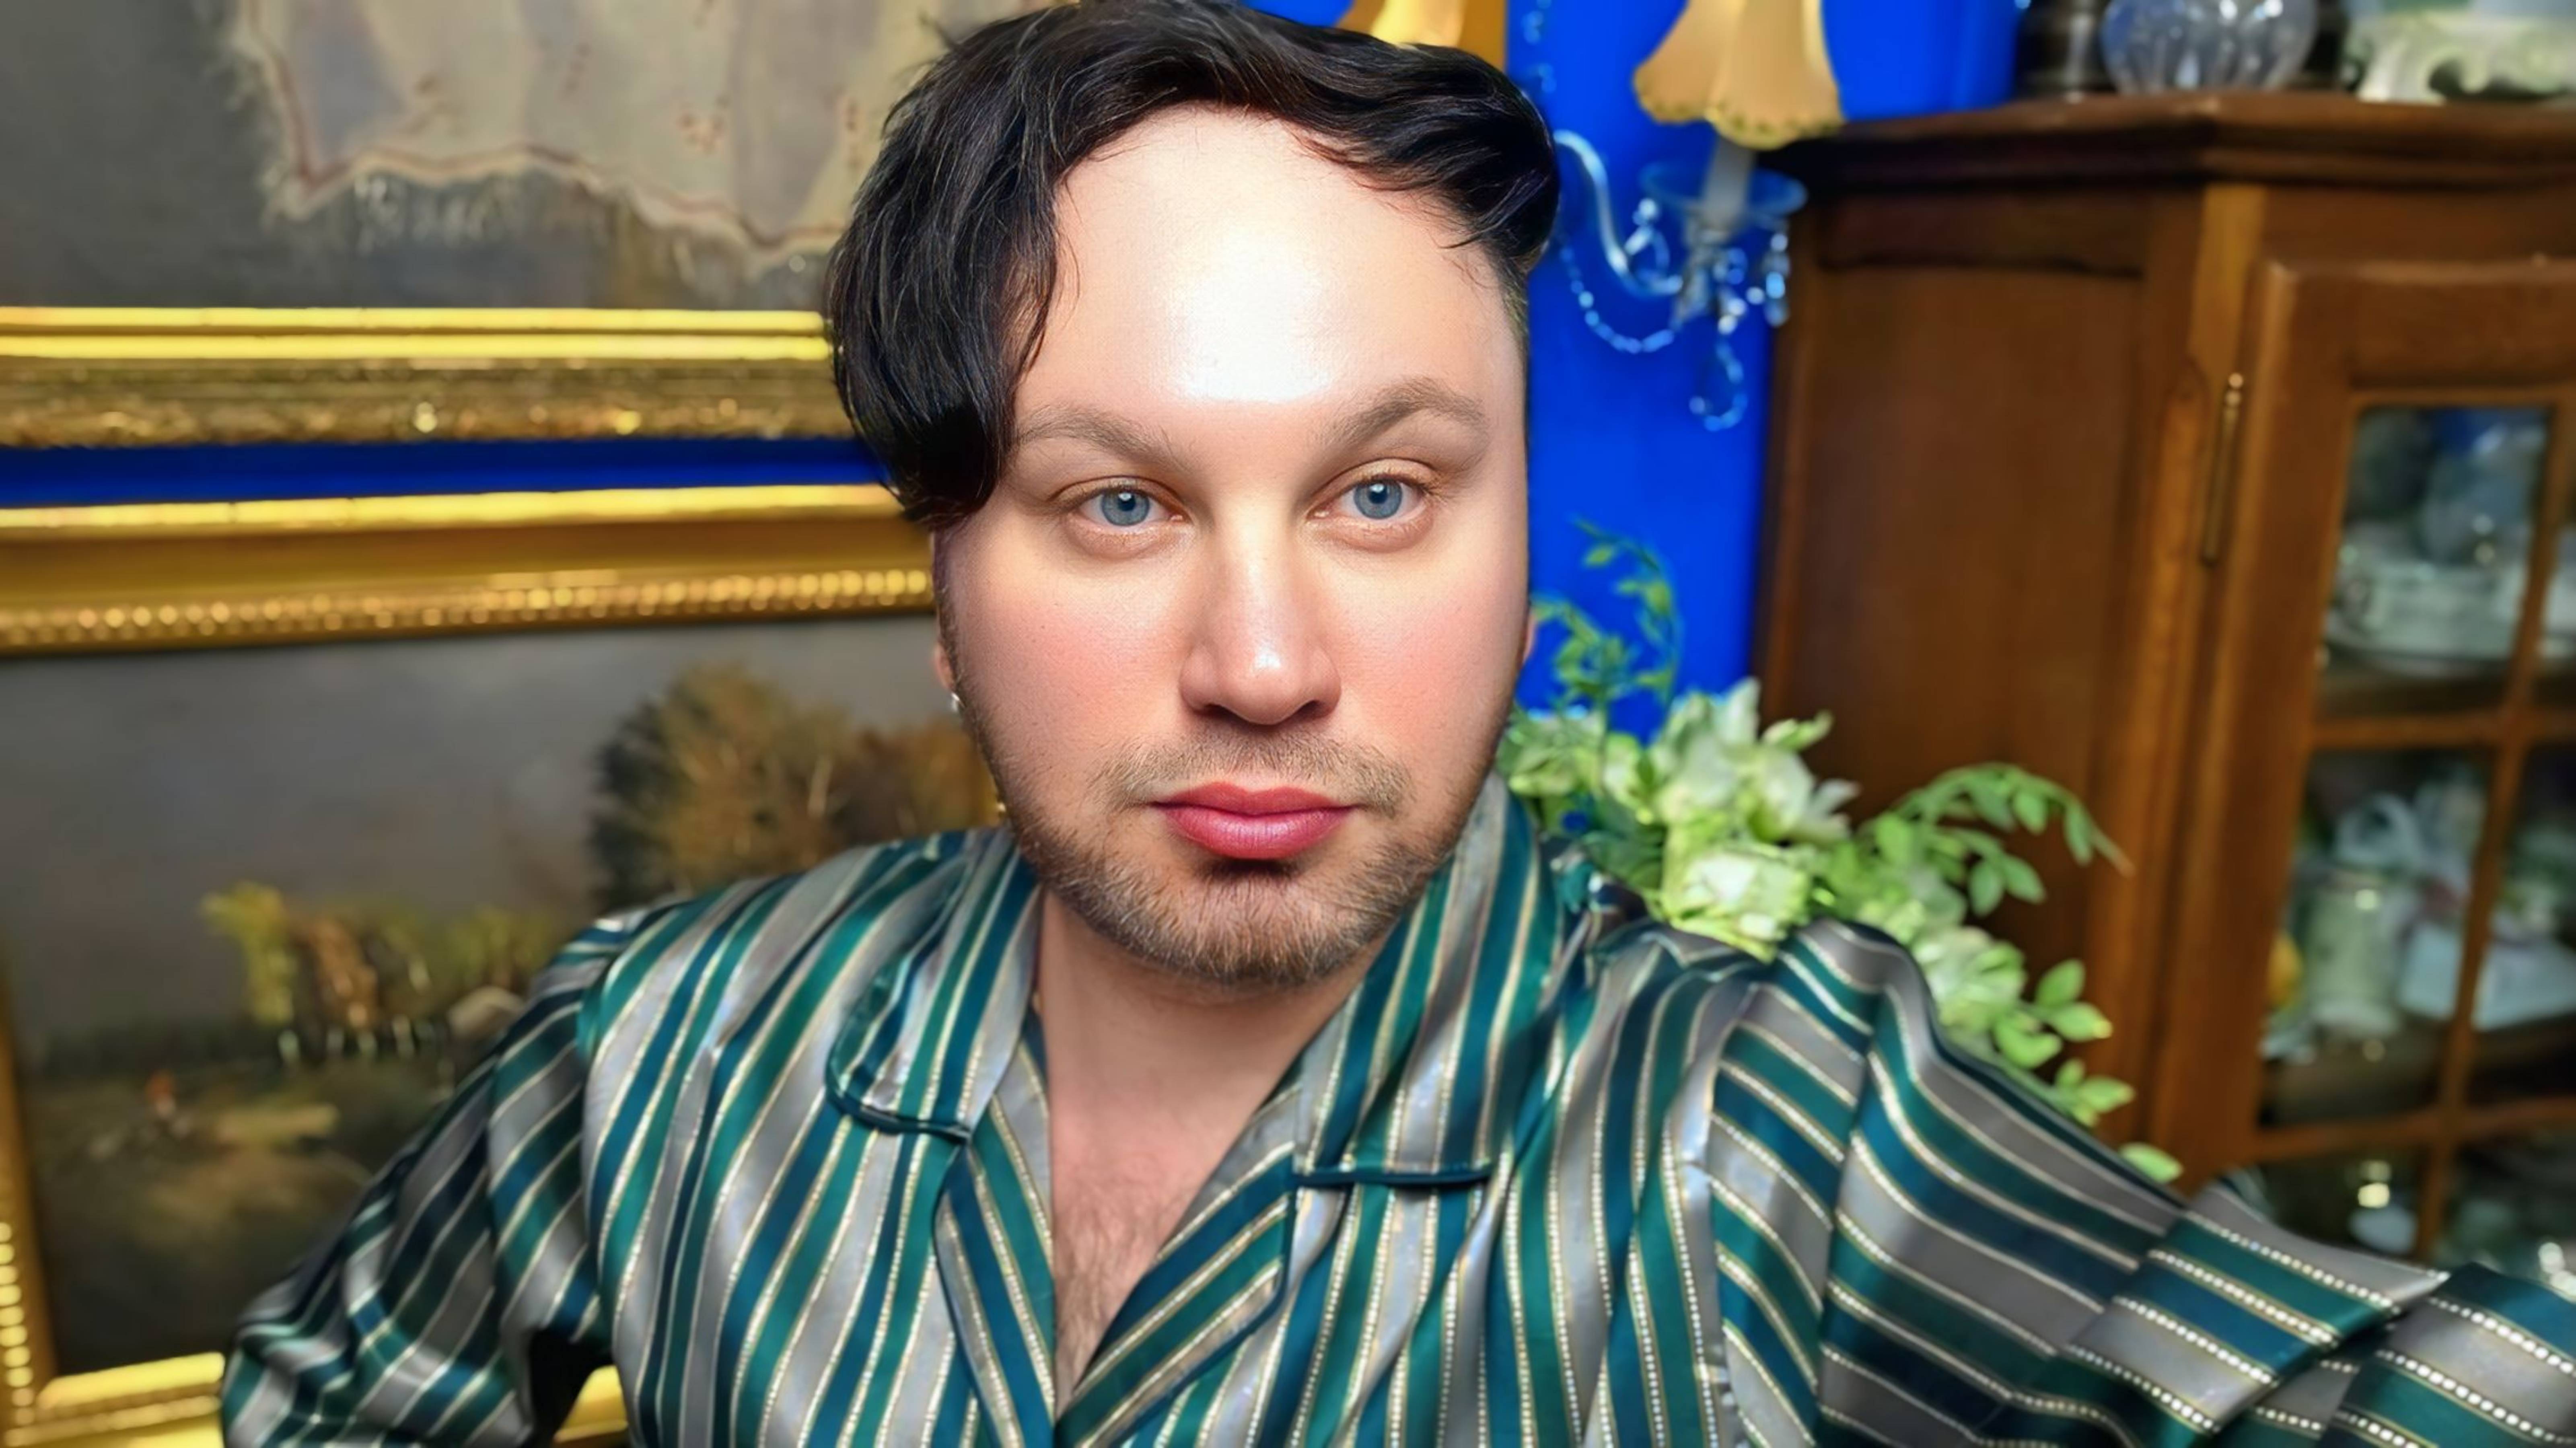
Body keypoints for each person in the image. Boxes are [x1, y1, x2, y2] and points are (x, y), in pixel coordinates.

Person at [220, 2, 2576, 1443]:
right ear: (942, 583)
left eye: (1380, 493)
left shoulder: (1761, 1136)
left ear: (1517, 544)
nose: (1265, 662)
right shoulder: (659, 1047)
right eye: (1118, 503)